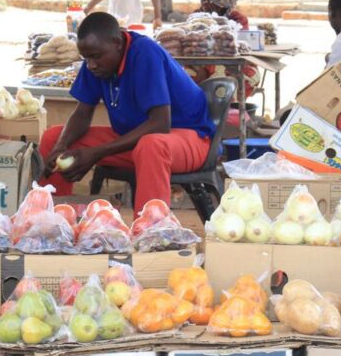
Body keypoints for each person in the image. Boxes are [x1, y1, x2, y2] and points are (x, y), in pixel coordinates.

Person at [39, 12, 215, 214]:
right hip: (134, 142)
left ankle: (150, 226)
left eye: (96, 57)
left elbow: (160, 124)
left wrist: (96, 153)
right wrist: (60, 146)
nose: (91, 65)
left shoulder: (144, 53)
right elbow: (82, 113)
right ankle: (51, 220)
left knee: (151, 145)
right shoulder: (95, 59)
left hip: (190, 139)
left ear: (117, 42)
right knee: (53, 138)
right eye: (86, 58)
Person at [187, 0, 260, 97]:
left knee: (247, 77)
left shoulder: (238, 19)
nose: (205, 5)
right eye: (204, 0)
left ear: (227, 7)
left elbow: (240, 48)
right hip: (200, 64)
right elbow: (189, 46)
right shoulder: (196, 17)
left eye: (211, 3)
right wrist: (200, 68)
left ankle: (228, 105)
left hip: (231, 65)